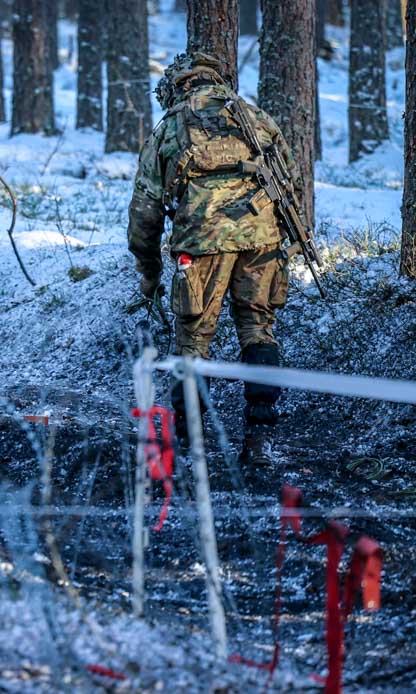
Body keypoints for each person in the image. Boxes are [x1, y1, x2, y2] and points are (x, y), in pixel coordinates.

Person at [127, 51, 301, 465]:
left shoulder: (170, 126)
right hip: (261, 239)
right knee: (258, 329)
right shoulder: (255, 117)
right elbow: (289, 180)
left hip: (200, 243)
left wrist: (148, 272)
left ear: (177, 85)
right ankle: (261, 437)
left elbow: (145, 209)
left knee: (193, 339)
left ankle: (192, 443)